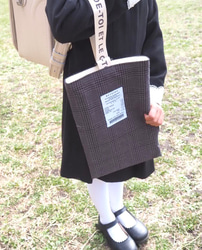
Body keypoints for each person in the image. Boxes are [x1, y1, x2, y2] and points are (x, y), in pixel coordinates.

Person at [46, 0, 166, 249]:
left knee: (122, 150)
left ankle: (117, 206)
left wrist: (154, 92)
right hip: (88, 78)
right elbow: (62, 23)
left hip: (130, 79)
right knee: (97, 153)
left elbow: (151, 32)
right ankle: (106, 217)